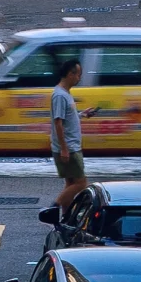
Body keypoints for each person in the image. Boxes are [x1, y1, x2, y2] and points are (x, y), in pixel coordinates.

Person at [50, 57, 91, 215]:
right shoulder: (60, 95)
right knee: (81, 183)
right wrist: (65, 149)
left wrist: (82, 115)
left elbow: (67, 119)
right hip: (69, 147)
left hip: (69, 145)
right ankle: (53, 207)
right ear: (69, 74)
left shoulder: (65, 94)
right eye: (78, 74)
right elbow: (58, 123)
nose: (79, 78)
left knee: (70, 183)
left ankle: (66, 216)